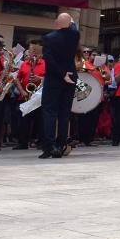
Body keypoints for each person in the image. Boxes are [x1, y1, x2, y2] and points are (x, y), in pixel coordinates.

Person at [40, 14, 80, 159]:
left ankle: (50, 146)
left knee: (49, 112)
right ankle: (61, 145)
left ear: (57, 23)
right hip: (71, 76)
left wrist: (62, 74)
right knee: (64, 113)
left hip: (54, 78)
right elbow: (73, 25)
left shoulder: (49, 38)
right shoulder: (75, 35)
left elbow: (48, 59)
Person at [13, 41, 45, 150]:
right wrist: (22, 91)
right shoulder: (24, 64)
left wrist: (39, 78)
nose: (34, 54)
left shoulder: (45, 64)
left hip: (39, 97)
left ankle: (40, 142)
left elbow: (50, 78)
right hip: (26, 96)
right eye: (32, 52)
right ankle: (22, 143)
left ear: (41, 54)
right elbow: (17, 78)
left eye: (37, 53)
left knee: (41, 121)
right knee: (23, 121)